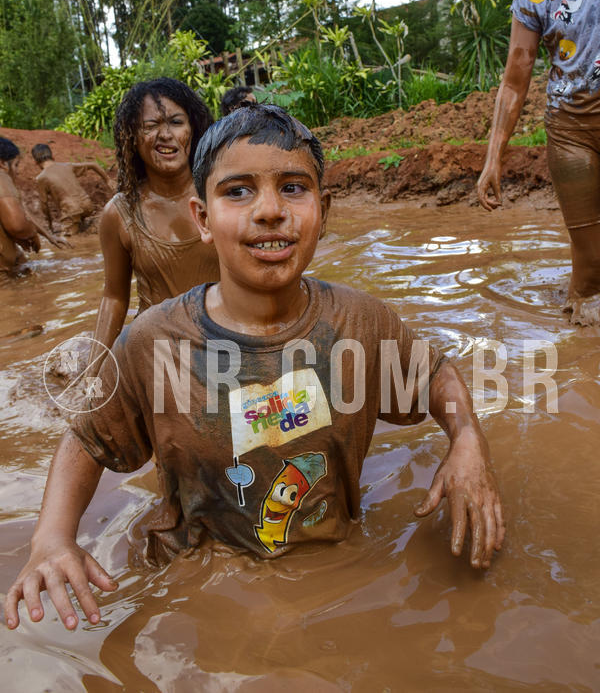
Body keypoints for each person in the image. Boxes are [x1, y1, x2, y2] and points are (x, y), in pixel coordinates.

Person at [5, 104, 504, 632]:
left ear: (324, 209)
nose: (269, 210)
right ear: (202, 217)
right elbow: (87, 438)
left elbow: (434, 374)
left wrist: (468, 441)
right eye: (238, 191)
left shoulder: (360, 322)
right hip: (198, 590)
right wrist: (52, 539)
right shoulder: (154, 340)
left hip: (333, 582)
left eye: (293, 187)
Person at [477, 0, 600, 325]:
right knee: (590, 265)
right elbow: (514, 82)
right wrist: (493, 160)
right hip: (571, 133)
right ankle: (583, 357)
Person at [89, 78, 220, 360]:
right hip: (158, 355)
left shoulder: (221, 193)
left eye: (176, 122)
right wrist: (92, 376)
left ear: (193, 129)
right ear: (132, 138)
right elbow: (114, 298)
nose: (165, 134)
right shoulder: (119, 213)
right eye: (150, 126)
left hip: (226, 347)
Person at [0, 137, 66, 281]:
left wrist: (48, 235)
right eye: (16, 165)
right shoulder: (2, 176)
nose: (17, 172)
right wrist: (31, 235)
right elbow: (18, 225)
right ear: (3, 163)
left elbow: (21, 212)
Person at [32, 144, 114, 236]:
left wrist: (50, 224)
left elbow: (44, 206)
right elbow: (93, 164)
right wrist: (108, 180)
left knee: (67, 242)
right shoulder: (67, 166)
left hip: (71, 210)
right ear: (53, 157)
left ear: (35, 162)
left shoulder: (41, 178)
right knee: (81, 226)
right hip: (87, 205)